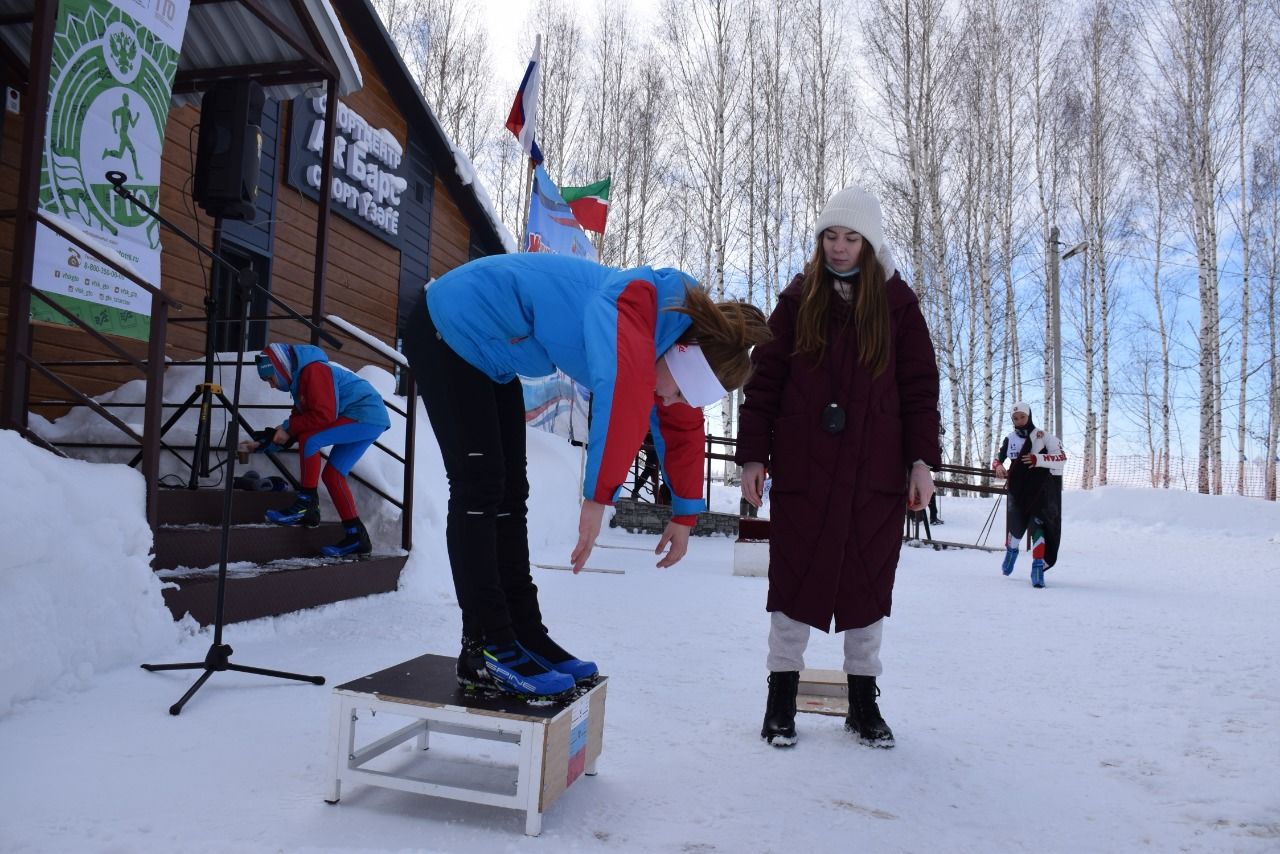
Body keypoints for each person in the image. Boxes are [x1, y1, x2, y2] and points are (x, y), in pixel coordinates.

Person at [402, 253, 770, 698]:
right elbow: (622, 399)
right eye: (678, 390)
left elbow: (679, 422)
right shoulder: (631, 311)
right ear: (681, 357)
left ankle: (522, 632)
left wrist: (686, 512)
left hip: (488, 348)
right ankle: (485, 647)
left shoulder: (663, 335)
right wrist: (597, 499)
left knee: (510, 493)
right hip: (450, 325)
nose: (670, 401)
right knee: (479, 489)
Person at [737, 186, 941, 749]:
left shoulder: (899, 307)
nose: (840, 248)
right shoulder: (798, 300)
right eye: (831, 236)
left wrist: (921, 462)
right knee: (792, 584)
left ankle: (862, 705)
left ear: (870, 243)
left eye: (852, 238)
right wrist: (754, 454)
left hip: (874, 477)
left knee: (867, 588)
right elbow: (765, 385)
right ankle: (780, 701)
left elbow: (921, 392)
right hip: (806, 473)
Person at [247, 343, 390, 557]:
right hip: (368, 417)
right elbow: (300, 419)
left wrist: (290, 429)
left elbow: (324, 415)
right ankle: (356, 536)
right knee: (333, 475)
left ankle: (306, 505)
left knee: (311, 439)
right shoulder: (300, 381)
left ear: (280, 368)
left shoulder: (314, 371)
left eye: (270, 378)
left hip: (364, 413)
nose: (271, 386)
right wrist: (268, 441)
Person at [992, 402, 1066, 588]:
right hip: (1018, 491)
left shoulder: (1042, 436)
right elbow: (997, 459)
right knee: (1016, 528)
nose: (1019, 421)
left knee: (1037, 527)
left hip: (1039, 491)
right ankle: (1012, 552)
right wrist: (999, 466)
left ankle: (1038, 567)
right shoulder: (1009, 439)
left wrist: (1038, 459)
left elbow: (1061, 458)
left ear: (1029, 416)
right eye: (1015, 418)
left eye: (1022, 417)